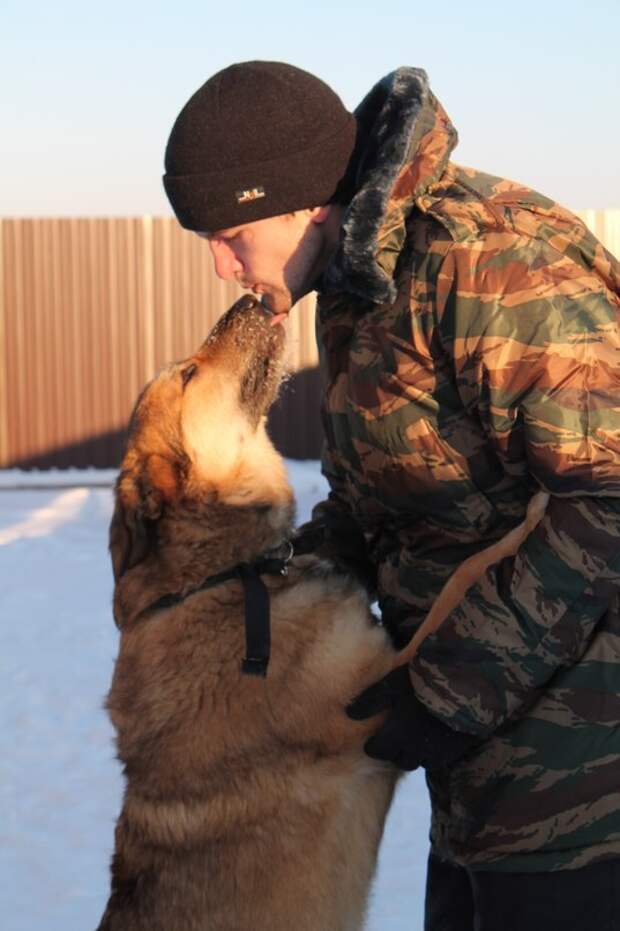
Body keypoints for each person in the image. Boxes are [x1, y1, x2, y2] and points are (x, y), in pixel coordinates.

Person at [162, 61, 620, 930]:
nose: (224, 267)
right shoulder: (356, 287)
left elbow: (605, 501)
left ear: (303, 202)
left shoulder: (496, 263)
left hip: (588, 784)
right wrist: (267, 599)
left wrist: (452, 689)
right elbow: (374, 502)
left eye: (232, 234)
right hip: (478, 779)